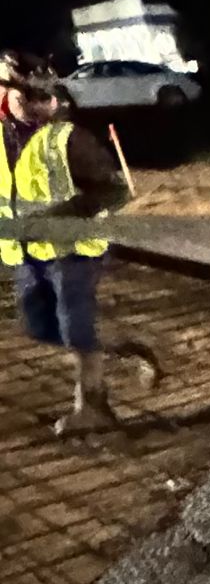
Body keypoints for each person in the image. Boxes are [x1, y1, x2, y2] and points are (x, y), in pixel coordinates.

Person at [1, 49, 160, 436]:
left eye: (21, 90)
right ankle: (127, 346)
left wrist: (65, 215)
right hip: (25, 252)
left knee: (75, 328)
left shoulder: (68, 138)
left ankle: (93, 406)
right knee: (39, 326)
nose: (15, 99)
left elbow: (114, 191)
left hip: (73, 251)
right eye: (8, 89)